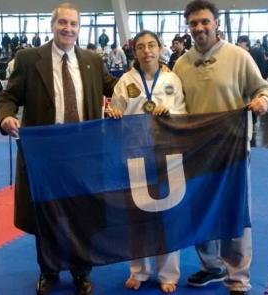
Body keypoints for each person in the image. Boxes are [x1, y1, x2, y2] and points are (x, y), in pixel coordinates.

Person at [0, 3, 117, 295]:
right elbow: (9, 95)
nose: (68, 28)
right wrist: (5, 117)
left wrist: (148, 79)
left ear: (79, 28)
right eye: (62, 22)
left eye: (73, 24)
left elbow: (117, 88)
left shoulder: (92, 60)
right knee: (46, 216)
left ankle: (81, 272)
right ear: (53, 25)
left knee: (83, 214)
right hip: (45, 154)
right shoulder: (28, 59)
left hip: (83, 152)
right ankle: (49, 271)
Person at [173, 1, 268, 295]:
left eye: (205, 21)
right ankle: (212, 267)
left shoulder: (238, 57)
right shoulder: (181, 63)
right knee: (200, 211)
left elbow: (264, 89)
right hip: (195, 151)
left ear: (216, 23)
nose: (199, 28)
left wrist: (262, 102)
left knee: (234, 214)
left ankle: (238, 277)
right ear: (188, 27)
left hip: (231, 150)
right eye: (193, 23)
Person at [107, 30, 186, 294]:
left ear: (160, 48)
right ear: (135, 51)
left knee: (169, 217)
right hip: (135, 155)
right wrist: (113, 112)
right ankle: (139, 271)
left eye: (152, 45)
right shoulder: (125, 81)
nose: (147, 51)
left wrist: (170, 112)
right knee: (136, 216)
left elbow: (184, 114)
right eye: (141, 46)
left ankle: (168, 273)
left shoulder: (172, 79)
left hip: (168, 155)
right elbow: (113, 111)